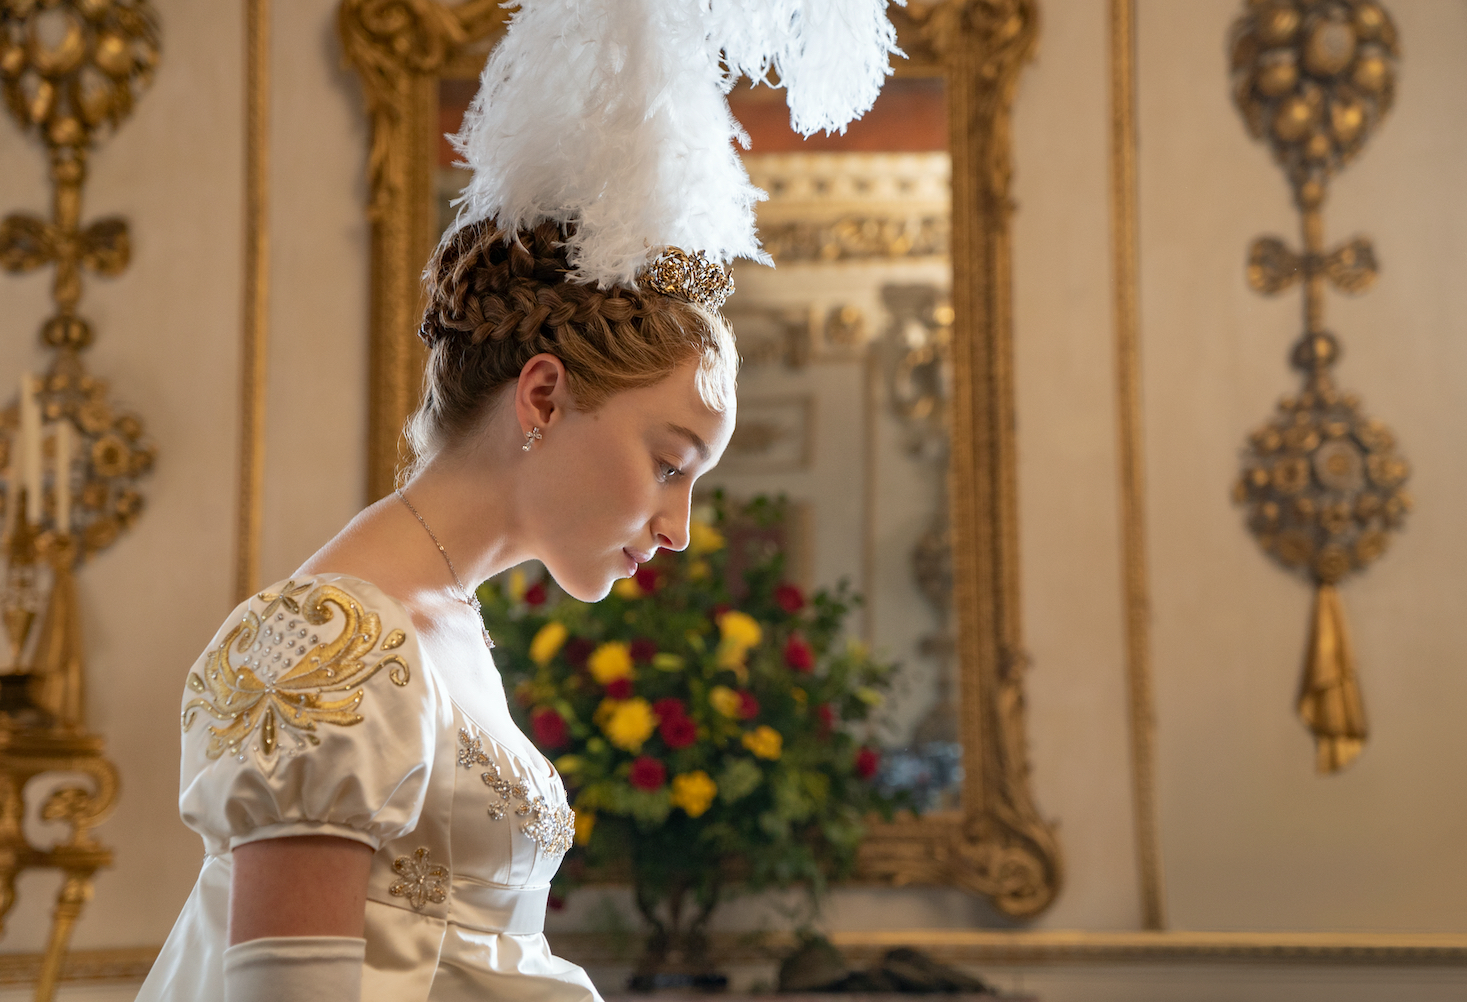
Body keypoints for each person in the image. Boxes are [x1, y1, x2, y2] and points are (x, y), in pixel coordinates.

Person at [137, 2, 900, 999]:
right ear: (542, 393)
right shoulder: (326, 642)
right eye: (670, 462)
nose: (678, 529)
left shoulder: (443, 626)